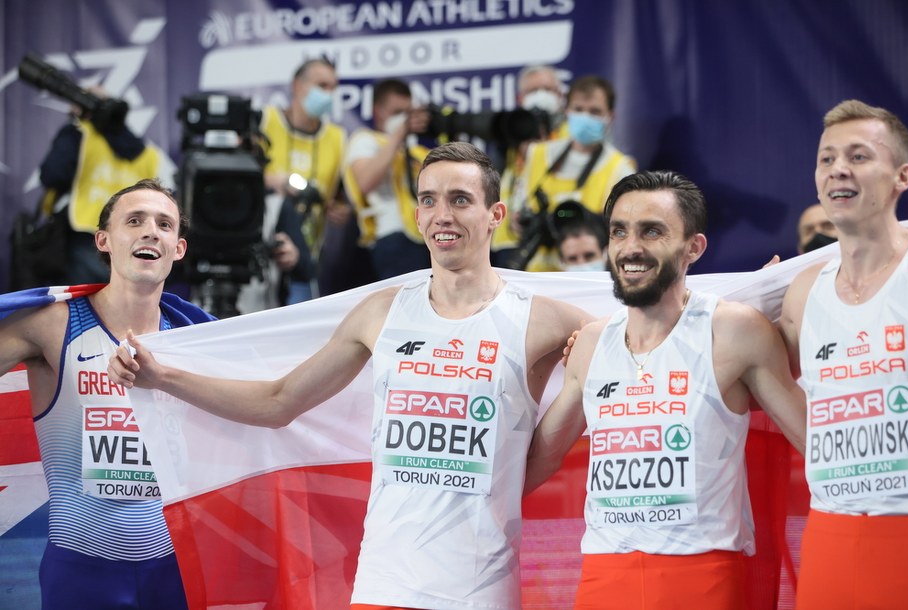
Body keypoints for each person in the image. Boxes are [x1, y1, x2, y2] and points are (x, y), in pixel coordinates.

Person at [109, 142, 592, 609]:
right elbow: (278, 402)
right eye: (429, 200)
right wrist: (164, 378)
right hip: (382, 585)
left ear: (496, 216)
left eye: (460, 199)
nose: (442, 214)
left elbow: (641, 351)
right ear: (418, 215)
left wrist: (580, 383)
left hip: (480, 590)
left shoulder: (543, 320)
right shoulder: (382, 313)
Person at [525, 170, 806, 609]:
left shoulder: (732, 331)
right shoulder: (593, 343)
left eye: (652, 231)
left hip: (701, 577)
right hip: (602, 577)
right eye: (619, 231)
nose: (630, 247)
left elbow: (816, 440)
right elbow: (534, 463)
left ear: (693, 247)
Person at [0, 179, 214, 609]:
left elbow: (274, 402)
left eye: (164, 225)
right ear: (104, 240)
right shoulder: (52, 325)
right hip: (79, 565)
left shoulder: (198, 339)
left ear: (178, 249)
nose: (151, 231)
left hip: (174, 568)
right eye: (134, 221)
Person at [779, 99, 908, 610]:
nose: (838, 168)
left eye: (859, 156)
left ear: (902, 176)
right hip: (831, 537)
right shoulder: (799, 294)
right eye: (827, 158)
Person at [38, 88, 173, 284]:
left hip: (86, 237)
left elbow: (52, 175)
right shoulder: (146, 151)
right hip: (134, 243)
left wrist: (73, 126)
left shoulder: (79, 135)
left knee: (85, 307)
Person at [509, 74, 636, 271]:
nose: (585, 117)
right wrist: (522, 222)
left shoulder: (620, 167)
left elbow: (622, 232)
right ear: (566, 110)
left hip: (586, 276)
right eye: (578, 110)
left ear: (611, 116)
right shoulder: (537, 154)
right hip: (537, 276)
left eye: (595, 111)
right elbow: (517, 217)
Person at [260, 57, 349, 303]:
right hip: (259, 253)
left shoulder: (337, 138)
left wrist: (339, 208)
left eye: (333, 87)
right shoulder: (264, 122)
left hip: (305, 259)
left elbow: (341, 197)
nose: (329, 94)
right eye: (322, 85)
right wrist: (275, 181)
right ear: (298, 86)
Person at [342, 78, 432, 279]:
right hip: (392, 238)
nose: (404, 119)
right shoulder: (365, 139)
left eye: (408, 113)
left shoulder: (416, 150)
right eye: (397, 113)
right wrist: (400, 133)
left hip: (425, 238)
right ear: (378, 111)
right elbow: (364, 181)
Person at [492, 64, 567, 268]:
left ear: (560, 95)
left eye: (547, 89)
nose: (540, 96)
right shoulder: (508, 137)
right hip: (507, 244)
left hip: (555, 247)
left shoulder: (571, 136)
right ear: (520, 99)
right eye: (532, 91)